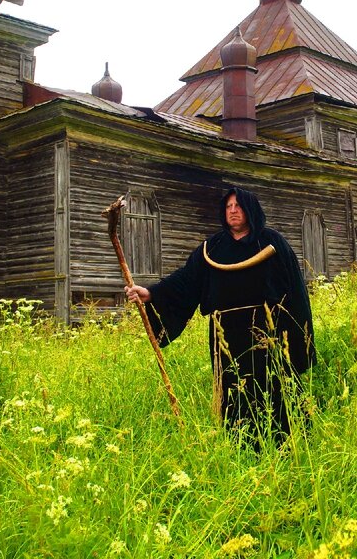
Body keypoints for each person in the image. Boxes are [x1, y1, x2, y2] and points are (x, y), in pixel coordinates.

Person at [125, 187, 316, 445]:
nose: (233, 210)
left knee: (274, 385)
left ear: (250, 210)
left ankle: (286, 442)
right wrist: (151, 293)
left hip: (266, 331)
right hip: (226, 336)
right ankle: (242, 444)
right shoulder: (211, 248)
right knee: (233, 389)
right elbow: (186, 280)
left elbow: (295, 290)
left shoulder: (272, 243)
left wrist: (298, 338)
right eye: (228, 207)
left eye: (238, 206)